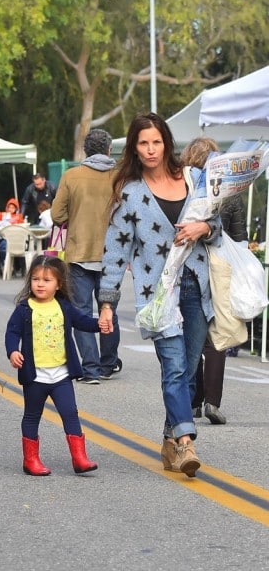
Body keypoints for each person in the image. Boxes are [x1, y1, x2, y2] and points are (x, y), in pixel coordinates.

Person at [98, 113, 220, 478]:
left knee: (189, 369)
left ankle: (169, 437)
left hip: (197, 285)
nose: (151, 150)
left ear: (166, 142)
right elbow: (115, 251)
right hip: (158, 294)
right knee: (175, 366)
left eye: (156, 142)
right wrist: (107, 301)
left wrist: (204, 227)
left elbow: (219, 226)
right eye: (142, 143)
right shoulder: (130, 193)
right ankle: (185, 442)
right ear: (134, 148)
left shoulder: (195, 178)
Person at [5, 255, 109, 476]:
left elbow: (83, 323)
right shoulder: (24, 309)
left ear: (58, 284)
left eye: (47, 280)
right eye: (35, 279)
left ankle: (80, 458)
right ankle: (30, 460)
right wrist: (13, 351)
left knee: (70, 413)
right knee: (32, 415)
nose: (40, 284)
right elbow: (12, 332)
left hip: (61, 374)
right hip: (35, 376)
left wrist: (100, 324)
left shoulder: (64, 307)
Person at [180, 137, 248, 425]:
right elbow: (241, 238)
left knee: (192, 333)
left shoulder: (183, 188)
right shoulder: (230, 193)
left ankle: (194, 401)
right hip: (221, 269)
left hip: (189, 267)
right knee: (217, 334)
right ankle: (213, 402)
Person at [51, 128, 121, 385]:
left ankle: (89, 369)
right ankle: (108, 364)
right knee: (108, 309)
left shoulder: (71, 176)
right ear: (109, 150)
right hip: (112, 255)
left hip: (79, 253)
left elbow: (57, 215)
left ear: (85, 151)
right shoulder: (120, 178)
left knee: (81, 311)